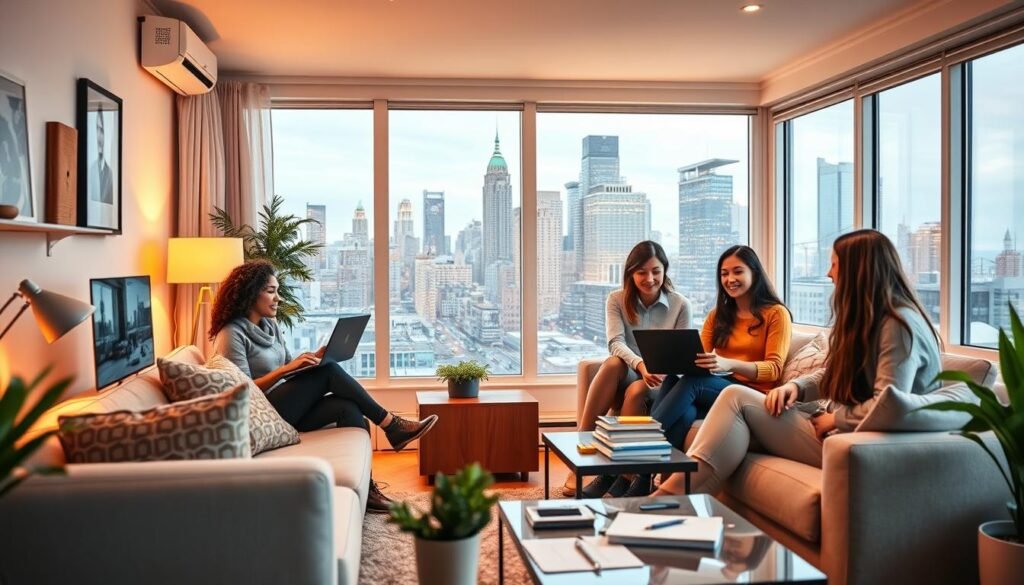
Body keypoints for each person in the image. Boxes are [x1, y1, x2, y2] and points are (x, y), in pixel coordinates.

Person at [654, 229, 941, 495]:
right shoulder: (874, 321)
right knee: (695, 394)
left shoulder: (898, 326)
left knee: (734, 397)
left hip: (849, 437)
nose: (829, 273)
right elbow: (835, 372)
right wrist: (798, 386)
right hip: (826, 418)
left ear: (859, 270)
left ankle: (653, 493)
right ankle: (659, 491)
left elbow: (890, 404)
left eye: (835, 264)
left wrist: (835, 418)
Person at [210, 260, 439, 513]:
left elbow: (287, 365)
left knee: (348, 408)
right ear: (250, 293)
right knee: (329, 372)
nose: (279, 298)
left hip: (287, 405)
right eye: (271, 291)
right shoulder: (231, 334)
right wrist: (287, 370)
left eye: (278, 290)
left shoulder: (271, 326)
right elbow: (242, 391)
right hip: (264, 412)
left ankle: (369, 491)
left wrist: (312, 359)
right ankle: (391, 424)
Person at [596, 245, 791, 498]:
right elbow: (695, 361)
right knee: (681, 389)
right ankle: (643, 481)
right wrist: (677, 361)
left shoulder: (776, 314)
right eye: (724, 273)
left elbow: (774, 369)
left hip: (751, 394)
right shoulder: (717, 315)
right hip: (716, 390)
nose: (730, 279)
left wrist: (729, 363)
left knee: (692, 384)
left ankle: (624, 469)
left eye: (737, 272)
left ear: (754, 273)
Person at [570, 240, 691, 498]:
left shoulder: (681, 305)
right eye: (641, 272)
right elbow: (615, 343)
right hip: (626, 372)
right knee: (613, 362)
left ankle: (620, 475)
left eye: (656, 271)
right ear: (631, 274)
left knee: (637, 391)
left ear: (665, 270)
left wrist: (655, 371)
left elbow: (681, 355)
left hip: (660, 380)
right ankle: (580, 450)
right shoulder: (615, 299)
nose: (650, 279)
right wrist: (639, 363)